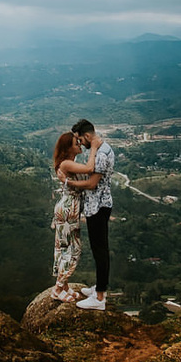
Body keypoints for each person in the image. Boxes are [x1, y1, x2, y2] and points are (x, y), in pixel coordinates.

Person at [59, 118, 114, 311]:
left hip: (98, 207)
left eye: (80, 140)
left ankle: (99, 298)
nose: (80, 143)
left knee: (100, 251)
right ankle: (99, 289)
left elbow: (92, 183)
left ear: (88, 136)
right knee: (99, 249)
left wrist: (69, 184)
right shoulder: (103, 149)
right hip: (97, 206)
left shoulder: (100, 154)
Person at [50, 130, 96, 302]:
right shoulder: (67, 164)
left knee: (64, 247)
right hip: (69, 209)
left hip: (69, 208)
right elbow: (90, 168)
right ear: (68, 147)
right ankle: (57, 289)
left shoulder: (68, 163)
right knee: (72, 250)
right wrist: (95, 148)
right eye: (76, 142)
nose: (79, 144)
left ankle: (65, 286)